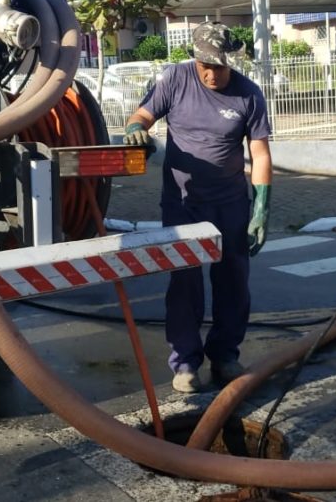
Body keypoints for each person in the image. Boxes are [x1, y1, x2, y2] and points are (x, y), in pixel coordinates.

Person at [122, 21, 273, 393]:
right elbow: (141, 116)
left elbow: (260, 152)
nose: (212, 73)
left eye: (220, 66)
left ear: (230, 63)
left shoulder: (248, 95)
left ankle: (225, 355)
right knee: (185, 283)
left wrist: (262, 208)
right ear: (195, 58)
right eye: (206, 64)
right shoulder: (175, 79)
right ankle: (186, 362)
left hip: (231, 204)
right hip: (183, 204)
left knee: (233, 282)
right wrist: (135, 131)